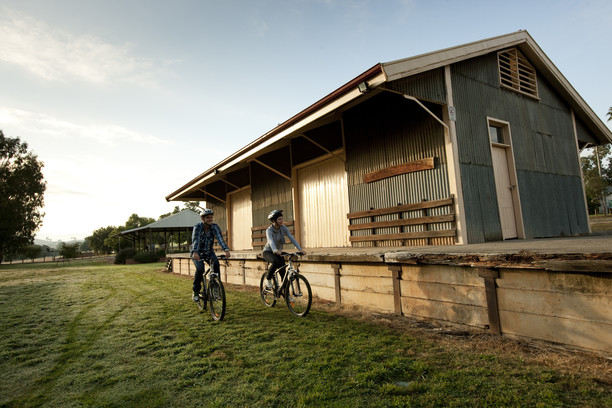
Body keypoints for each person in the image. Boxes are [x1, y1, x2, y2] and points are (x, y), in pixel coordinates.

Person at [190, 208, 231, 301]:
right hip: (197, 252)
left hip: (209, 252)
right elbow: (195, 240)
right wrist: (195, 252)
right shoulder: (198, 227)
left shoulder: (214, 227)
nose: (210, 219)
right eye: (208, 217)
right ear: (202, 219)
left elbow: (220, 238)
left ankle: (216, 290)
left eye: (211, 217)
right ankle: (196, 291)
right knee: (200, 269)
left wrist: (226, 249)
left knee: (216, 265)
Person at [262, 209, 306, 289]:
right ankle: (268, 279)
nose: (282, 221)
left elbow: (291, 238)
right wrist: (275, 250)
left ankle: (284, 292)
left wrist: (300, 249)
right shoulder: (269, 230)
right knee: (275, 261)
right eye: (279, 219)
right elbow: (270, 240)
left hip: (278, 252)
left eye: (282, 218)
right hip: (268, 252)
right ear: (274, 220)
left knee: (283, 273)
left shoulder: (283, 228)